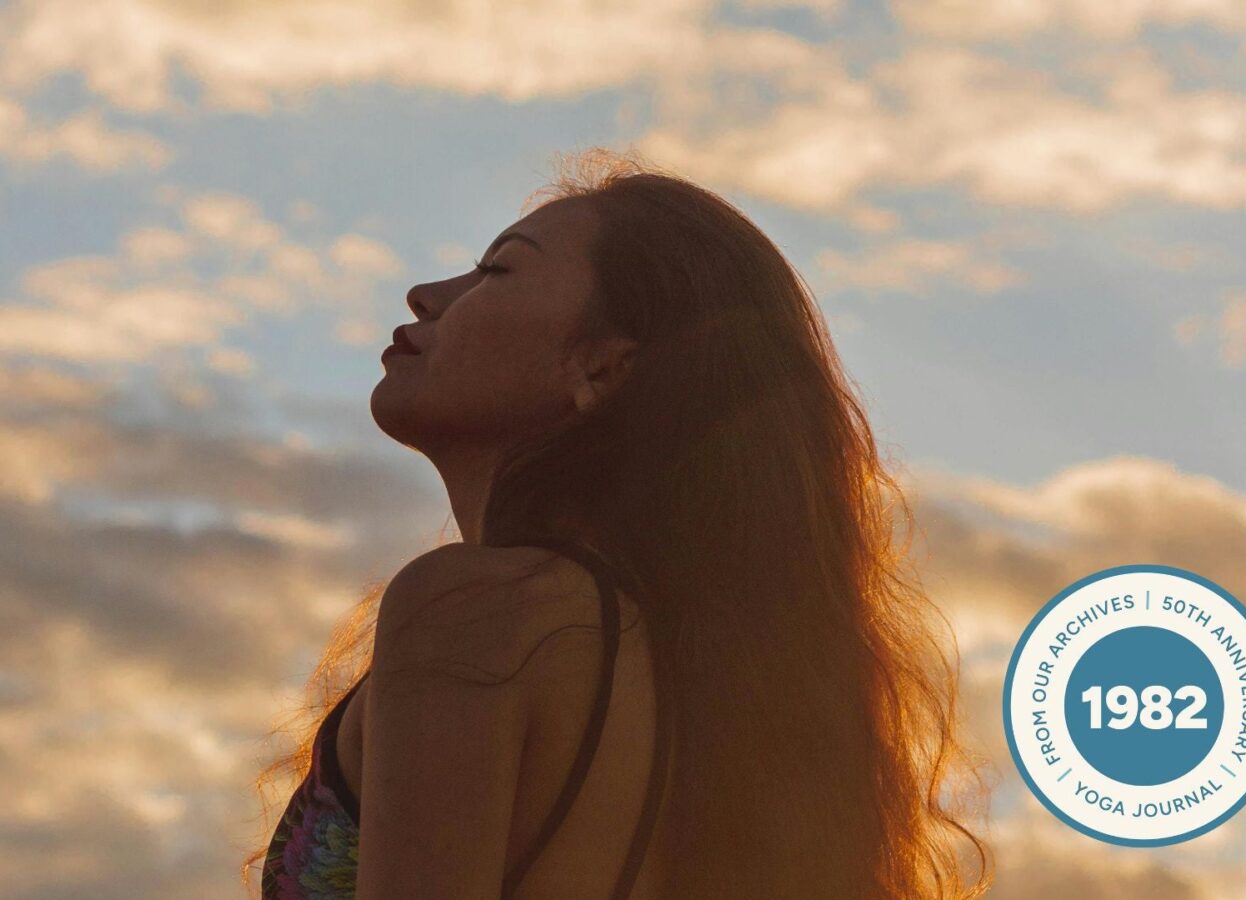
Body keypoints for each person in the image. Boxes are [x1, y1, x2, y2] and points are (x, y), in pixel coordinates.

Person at [248, 147, 993, 899]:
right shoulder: (735, 698)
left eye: (497, 270)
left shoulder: (472, 613)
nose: (426, 294)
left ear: (603, 368)